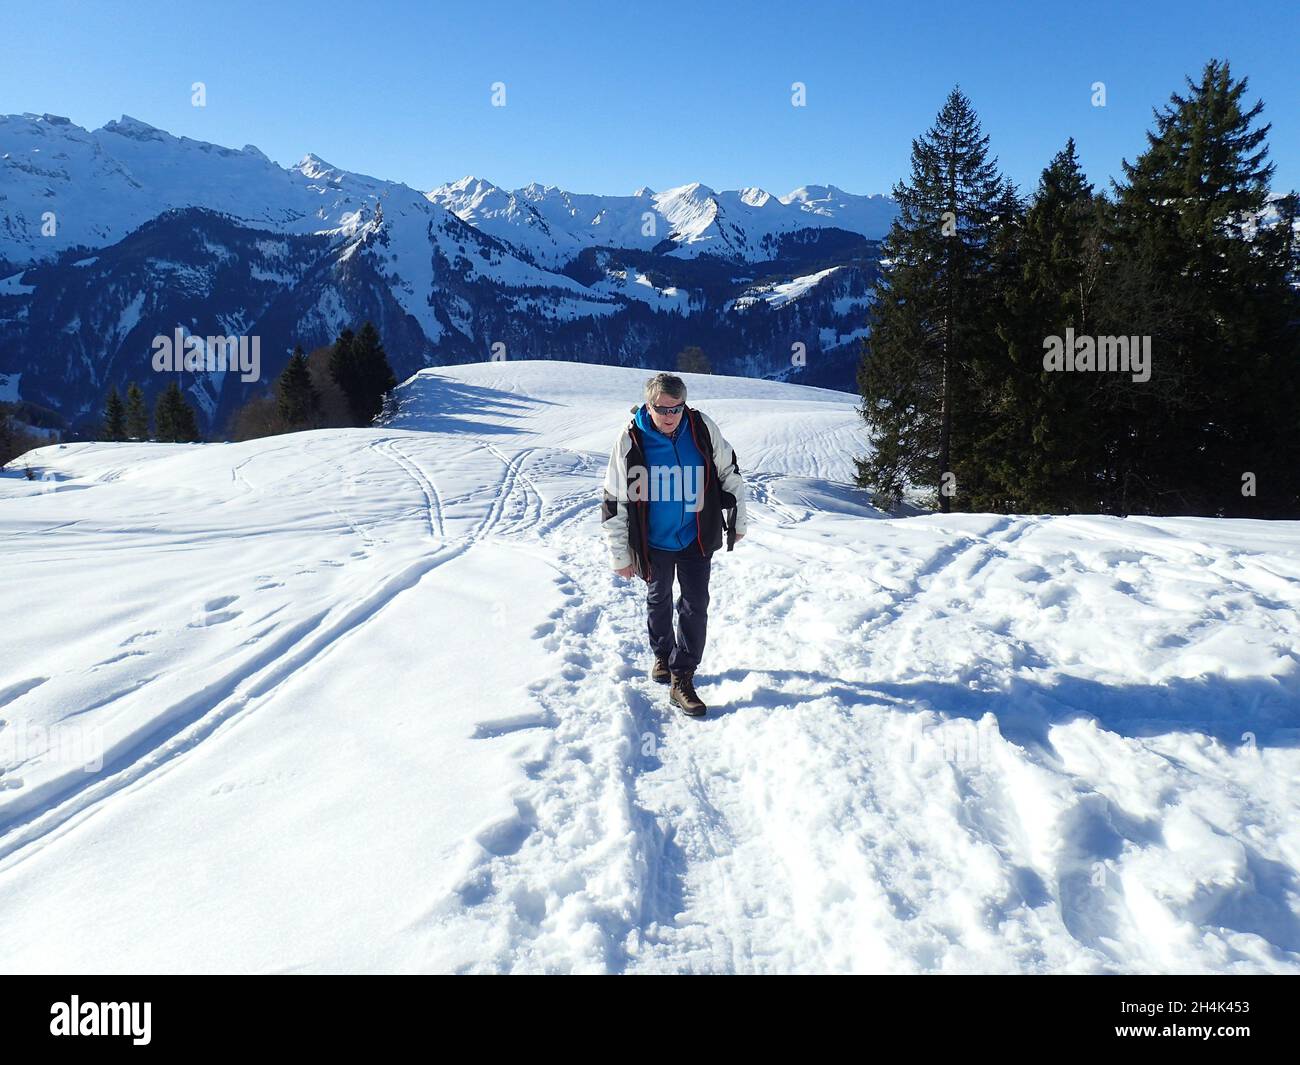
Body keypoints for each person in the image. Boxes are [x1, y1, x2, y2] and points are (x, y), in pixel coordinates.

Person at [600, 372, 748, 716]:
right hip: (654, 541)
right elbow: (614, 499)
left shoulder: (701, 428)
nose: (670, 417)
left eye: (676, 409)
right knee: (659, 599)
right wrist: (620, 554)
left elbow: (730, 473)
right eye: (662, 409)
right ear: (648, 405)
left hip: (697, 534)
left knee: (696, 604)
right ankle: (662, 655)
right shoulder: (632, 439)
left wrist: (738, 521)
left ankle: (683, 677)